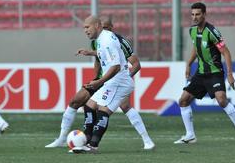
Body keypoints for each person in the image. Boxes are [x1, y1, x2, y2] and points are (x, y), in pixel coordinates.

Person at [45, 16, 155, 150]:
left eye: (87, 27)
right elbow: (104, 55)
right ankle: (85, 142)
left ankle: (93, 145)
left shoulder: (109, 40)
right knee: (89, 106)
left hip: (117, 81)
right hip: (111, 80)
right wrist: (90, 54)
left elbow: (116, 66)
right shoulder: (101, 39)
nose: (85, 30)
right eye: (84, 28)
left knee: (104, 110)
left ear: (98, 26)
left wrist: (99, 82)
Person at [174, 2, 235, 145]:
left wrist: (230, 74)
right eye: (192, 14)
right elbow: (196, 48)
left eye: (198, 14)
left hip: (215, 73)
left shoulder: (212, 31)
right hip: (200, 73)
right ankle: (190, 135)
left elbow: (225, 52)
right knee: (183, 101)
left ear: (204, 14)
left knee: (221, 100)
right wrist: (189, 64)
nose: (194, 17)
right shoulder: (192, 31)